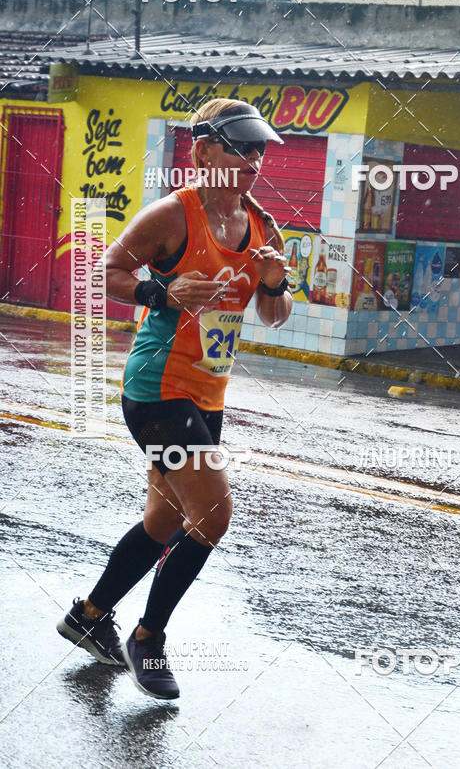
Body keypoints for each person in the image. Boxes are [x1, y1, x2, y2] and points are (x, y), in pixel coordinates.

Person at [57, 100, 293, 699]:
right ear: (203, 151)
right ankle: (148, 636)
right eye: (240, 148)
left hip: (208, 393)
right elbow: (104, 272)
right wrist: (162, 294)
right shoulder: (172, 216)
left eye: (259, 150)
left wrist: (274, 284)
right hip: (158, 388)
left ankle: (88, 616)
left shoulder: (263, 226)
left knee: (164, 522)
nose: (253, 160)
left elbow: (274, 314)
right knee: (213, 514)